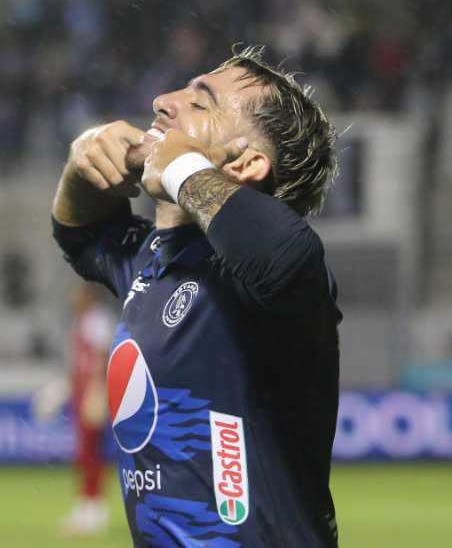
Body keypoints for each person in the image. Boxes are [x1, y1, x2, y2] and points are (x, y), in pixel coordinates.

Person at [52, 46, 341, 546]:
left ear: (247, 164)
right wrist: (83, 161)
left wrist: (180, 165)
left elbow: (286, 255)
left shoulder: (268, 279)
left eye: (201, 103)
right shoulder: (151, 261)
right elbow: (78, 234)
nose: (164, 101)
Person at [61, 282, 117, 537]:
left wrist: (98, 392)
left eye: (76, 293)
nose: (71, 298)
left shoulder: (98, 321)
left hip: (94, 393)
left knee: (92, 453)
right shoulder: (81, 322)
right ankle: (87, 506)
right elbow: (78, 364)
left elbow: (105, 357)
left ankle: (94, 510)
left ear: (88, 296)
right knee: (85, 453)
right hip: (82, 392)